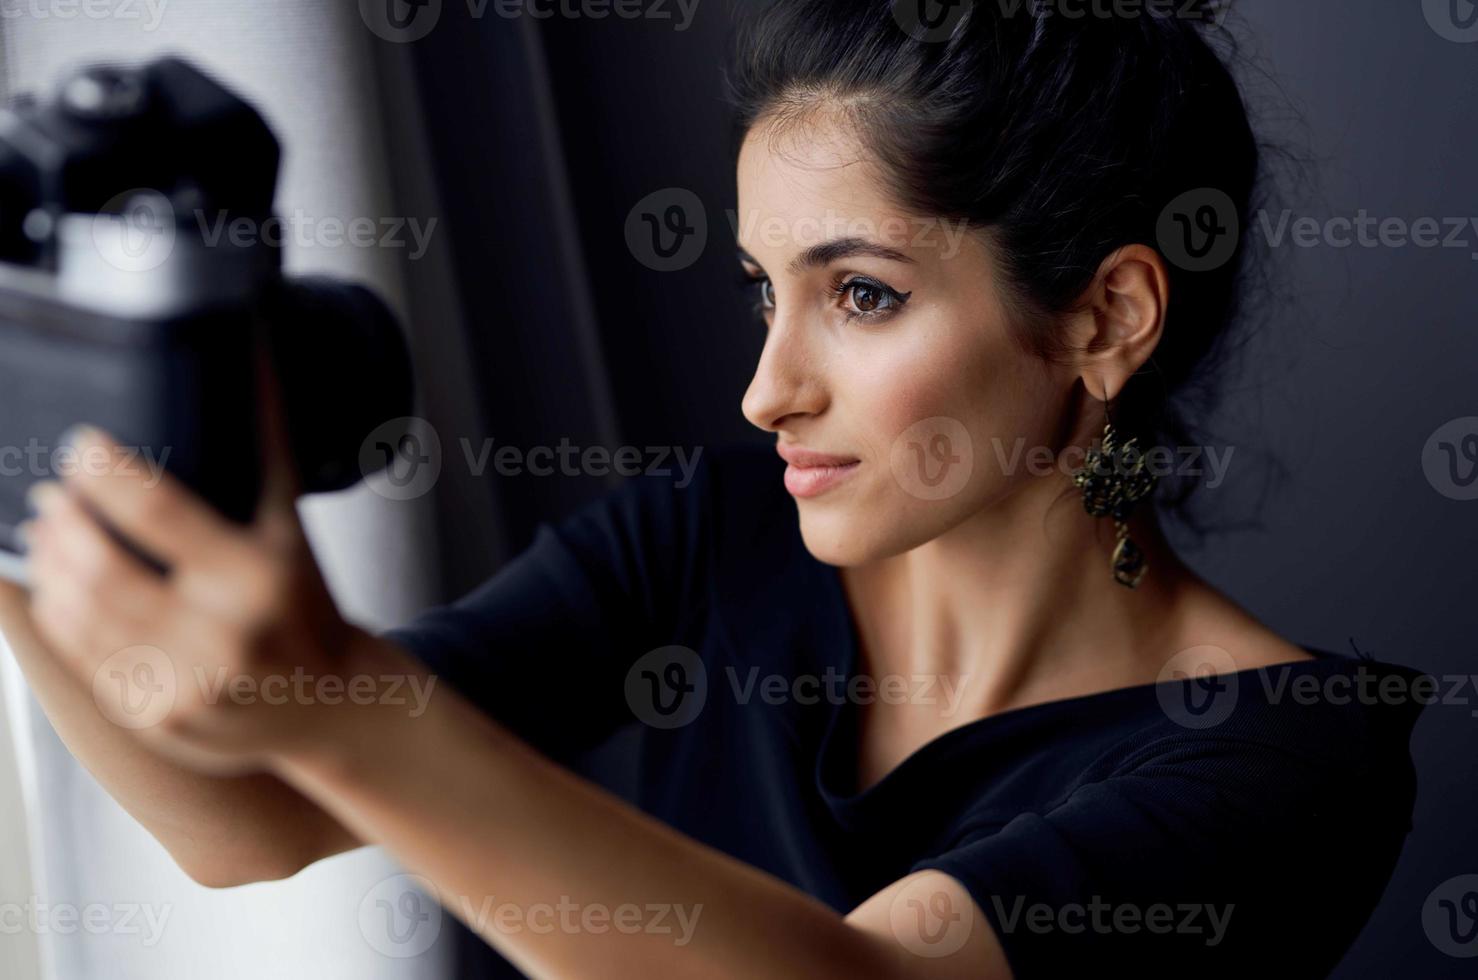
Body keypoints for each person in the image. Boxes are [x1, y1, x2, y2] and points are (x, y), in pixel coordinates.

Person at [0, 1, 1427, 977]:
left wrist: (344, 707)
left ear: (1103, 318)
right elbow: (240, 819)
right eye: (762, 293)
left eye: (859, 295)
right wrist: (20, 513)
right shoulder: (718, 535)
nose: (766, 390)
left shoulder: (1284, 762)